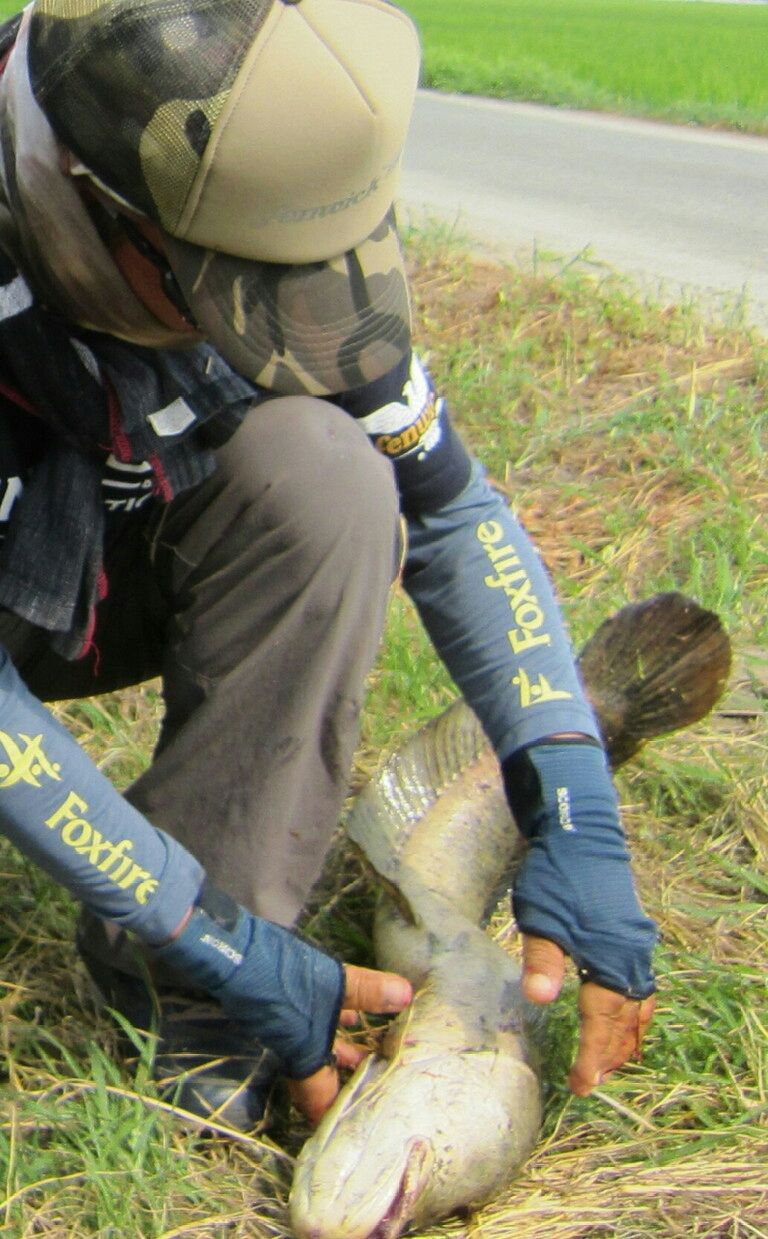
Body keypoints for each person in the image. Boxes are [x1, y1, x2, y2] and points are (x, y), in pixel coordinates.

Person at [0, 0, 657, 1133]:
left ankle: (190, 994)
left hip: (86, 560)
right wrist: (188, 917)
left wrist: (572, 796)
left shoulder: (250, 204)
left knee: (328, 472)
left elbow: (451, 510)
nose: (272, 324)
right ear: (87, 197)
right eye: (233, 292)